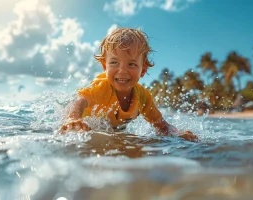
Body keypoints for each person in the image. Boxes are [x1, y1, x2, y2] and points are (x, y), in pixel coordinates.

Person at [60, 28, 198, 142]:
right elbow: (80, 100)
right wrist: (73, 118)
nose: (122, 71)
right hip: (82, 123)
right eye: (114, 62)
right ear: (104, 66)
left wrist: (178, 135)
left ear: (142, 70)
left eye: (131, 64)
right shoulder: (102, 87)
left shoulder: (142, 97)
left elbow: (161, 125)